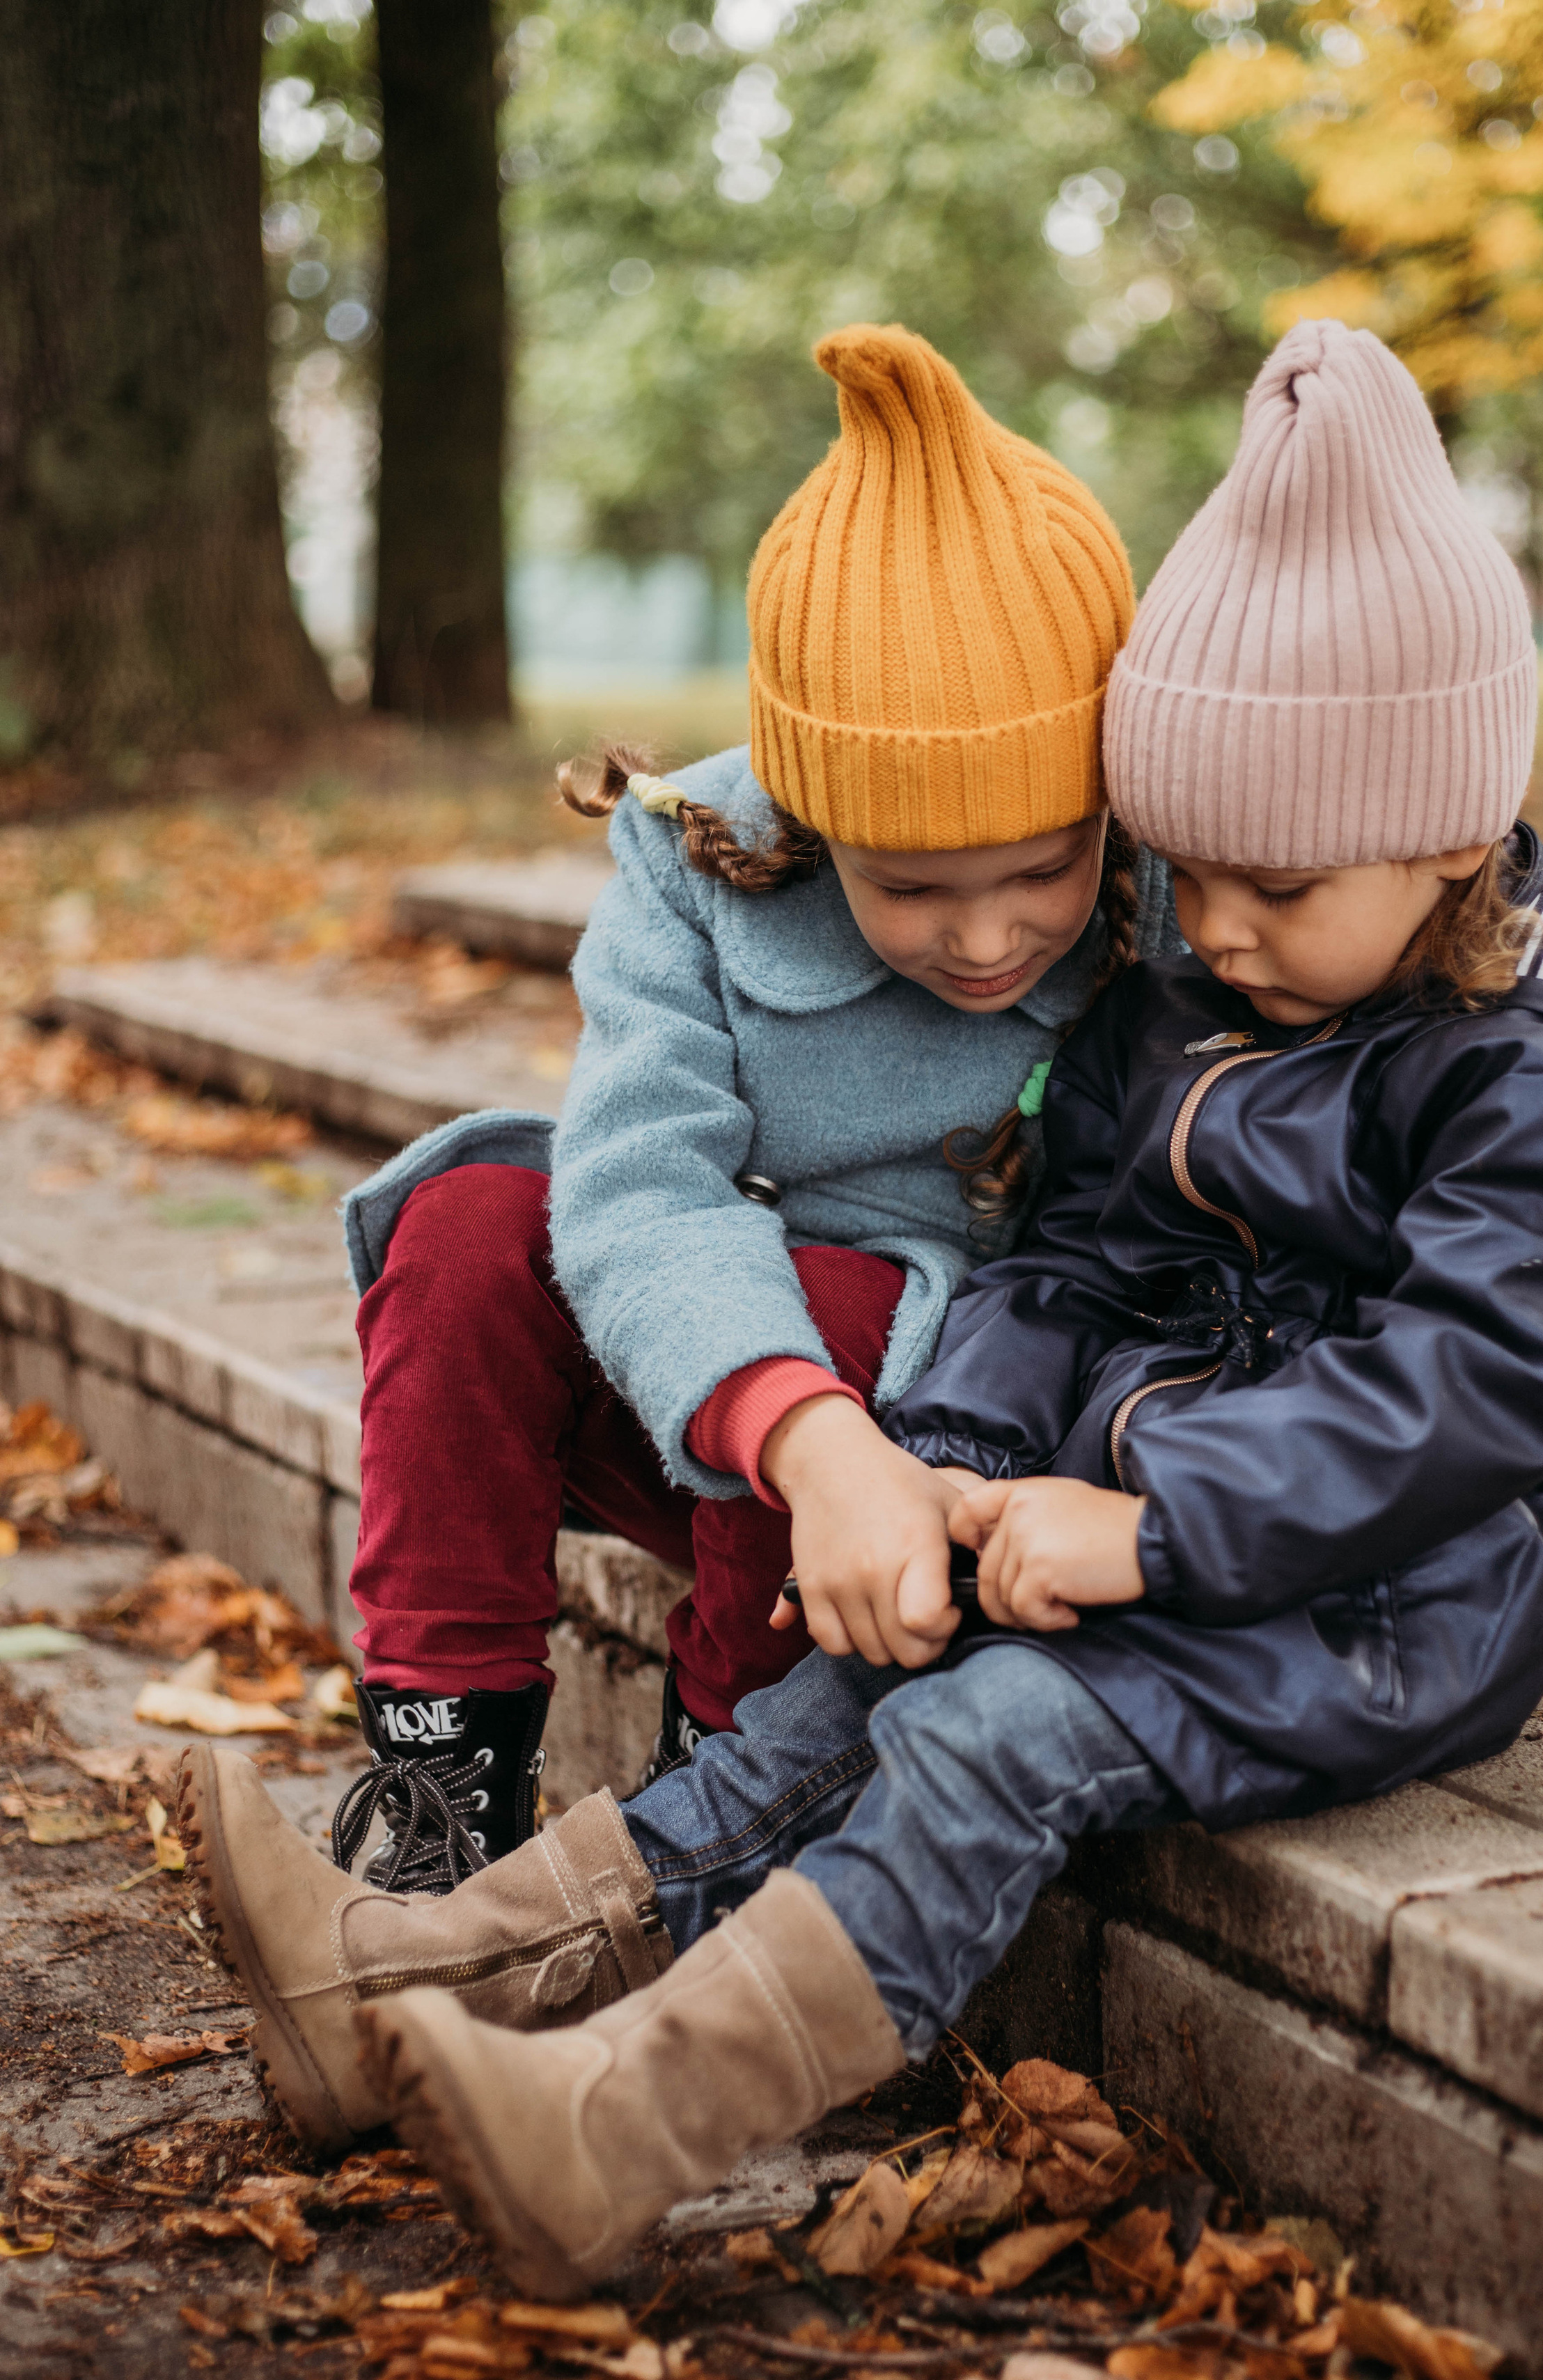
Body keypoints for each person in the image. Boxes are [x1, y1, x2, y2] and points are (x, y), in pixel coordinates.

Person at [189, 321, 1543, 2284]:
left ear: (1452, 833)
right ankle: (395, 1982)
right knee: (826, 1707)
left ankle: (617, 2130)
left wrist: (1153, 1526)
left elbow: (1458, 1394)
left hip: (1386, 1596)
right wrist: (945, 1456)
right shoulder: (1207, 1005)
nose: (1206, 927)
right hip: (1142, 1520)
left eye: (1271, 886)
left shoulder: (1533, 1099)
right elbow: (1072, 1263)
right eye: (1191, 873)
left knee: (988, 1730)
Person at [329, 319, 1178, 1906]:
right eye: (909, 887)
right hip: (725, 1398)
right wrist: (799, 1427)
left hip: (964, 1452)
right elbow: (641, 1182)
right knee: (466, 1224)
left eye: (1041, 870)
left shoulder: (1176, 885)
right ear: (809, 812)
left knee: (832, 1299)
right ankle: (441, 1806)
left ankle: (704, 1815)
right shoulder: (700, 860)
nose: (986, 938)